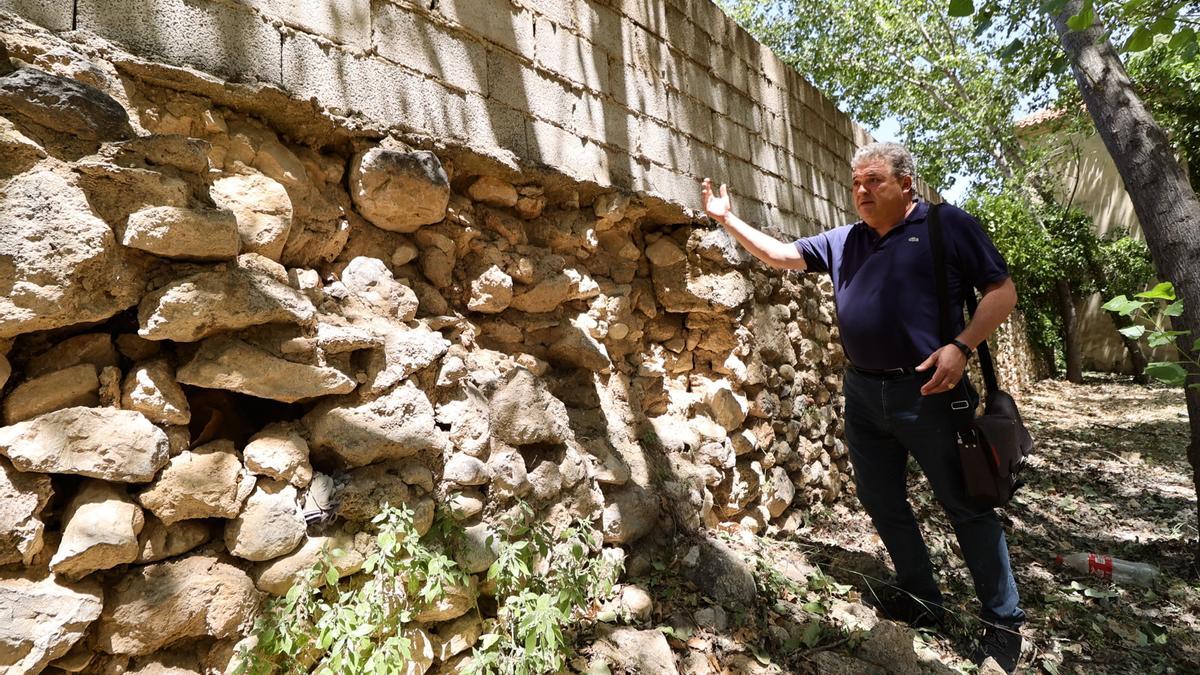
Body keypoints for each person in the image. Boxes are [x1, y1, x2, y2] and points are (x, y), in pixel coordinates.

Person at [701, 142, 1025, 673]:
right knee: (881, 500)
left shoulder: (947, 226)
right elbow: (781, 256)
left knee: (966, 503)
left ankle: (1003, 623)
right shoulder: (844, 240)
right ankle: (923, 599)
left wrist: (961, 346)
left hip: (931, 392)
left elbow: (1002, 293)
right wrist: (728, 219)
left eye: (874, 180)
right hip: (862, 392)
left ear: (905, 183)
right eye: (856, 183)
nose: (862, 192)